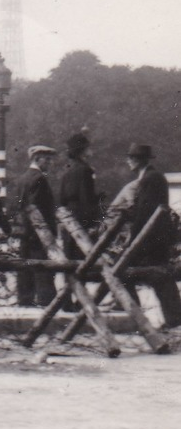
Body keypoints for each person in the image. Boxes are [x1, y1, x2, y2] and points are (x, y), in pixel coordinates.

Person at [110, 143, 181, 328]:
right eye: (129, 157)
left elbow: (145, 213)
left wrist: (132, 239)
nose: (129, 161)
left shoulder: (151, 178)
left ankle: (137, 316)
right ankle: (171, 318)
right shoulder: (150, 177)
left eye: (132, 158)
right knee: (159, 277)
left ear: (142, 160)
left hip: (151, 237)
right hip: (152, 236)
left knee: (126, 271)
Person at [12, 143, 58, 308]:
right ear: (38, 159)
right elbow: (36, 208)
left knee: (24, 264)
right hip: (38, 230)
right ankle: (47, 300)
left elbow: (17, 206)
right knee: (42, 265)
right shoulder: (39, 179)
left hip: (24, 230)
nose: (50, 163)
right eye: (47, 160)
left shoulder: (22, 179)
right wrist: (47, 231)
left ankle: (25, 299)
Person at [57, 132, 101, 256]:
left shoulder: (68, 172)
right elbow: (86, 198)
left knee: (70, 256)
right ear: (83, 150)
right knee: (86, 257)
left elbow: (62, 199)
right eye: (88, 147)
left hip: (70, 220)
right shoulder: (85, 170)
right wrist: (92, 224)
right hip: (83, 221)